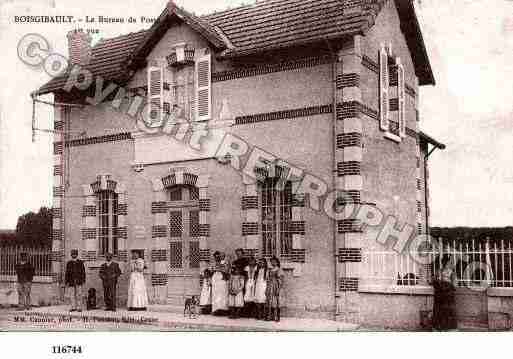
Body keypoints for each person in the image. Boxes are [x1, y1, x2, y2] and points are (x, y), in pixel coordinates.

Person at [431, 255, 457, 330]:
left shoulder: (452, 273)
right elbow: (434, 281)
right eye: (444, 262)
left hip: (447, 295)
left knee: (447, 311)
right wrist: (438, 283)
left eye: (447, 262)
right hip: (440, 295)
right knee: (439, 311)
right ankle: (439, 326)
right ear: (442, 263)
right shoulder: (439, 271)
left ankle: (447, 326)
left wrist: (447, 286)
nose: (446, 264)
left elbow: (454, 285)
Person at [210, 251, 229, 315]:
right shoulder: (213, 263)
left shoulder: (224, 262)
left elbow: (226, 270)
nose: (217, 258)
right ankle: (216, 309)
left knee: (223, 294)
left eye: (219, 256)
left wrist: (220, 268)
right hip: (215, 278)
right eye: (216, 257)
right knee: (215, 294)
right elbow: (211, 270)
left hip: (222, 278)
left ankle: (223, 310)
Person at [265, 256, 284, 322]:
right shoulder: (269, 270)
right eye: (271, 261)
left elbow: (281, 280)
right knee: (270, 301)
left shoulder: (279, 269)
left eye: (274, 261)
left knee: (276, 301)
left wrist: (278, 288)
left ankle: (277, 317)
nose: (273, 263)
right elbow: (267, 279)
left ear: (277, 262)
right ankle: (270, 316)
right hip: (270, 286)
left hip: (276, 286)